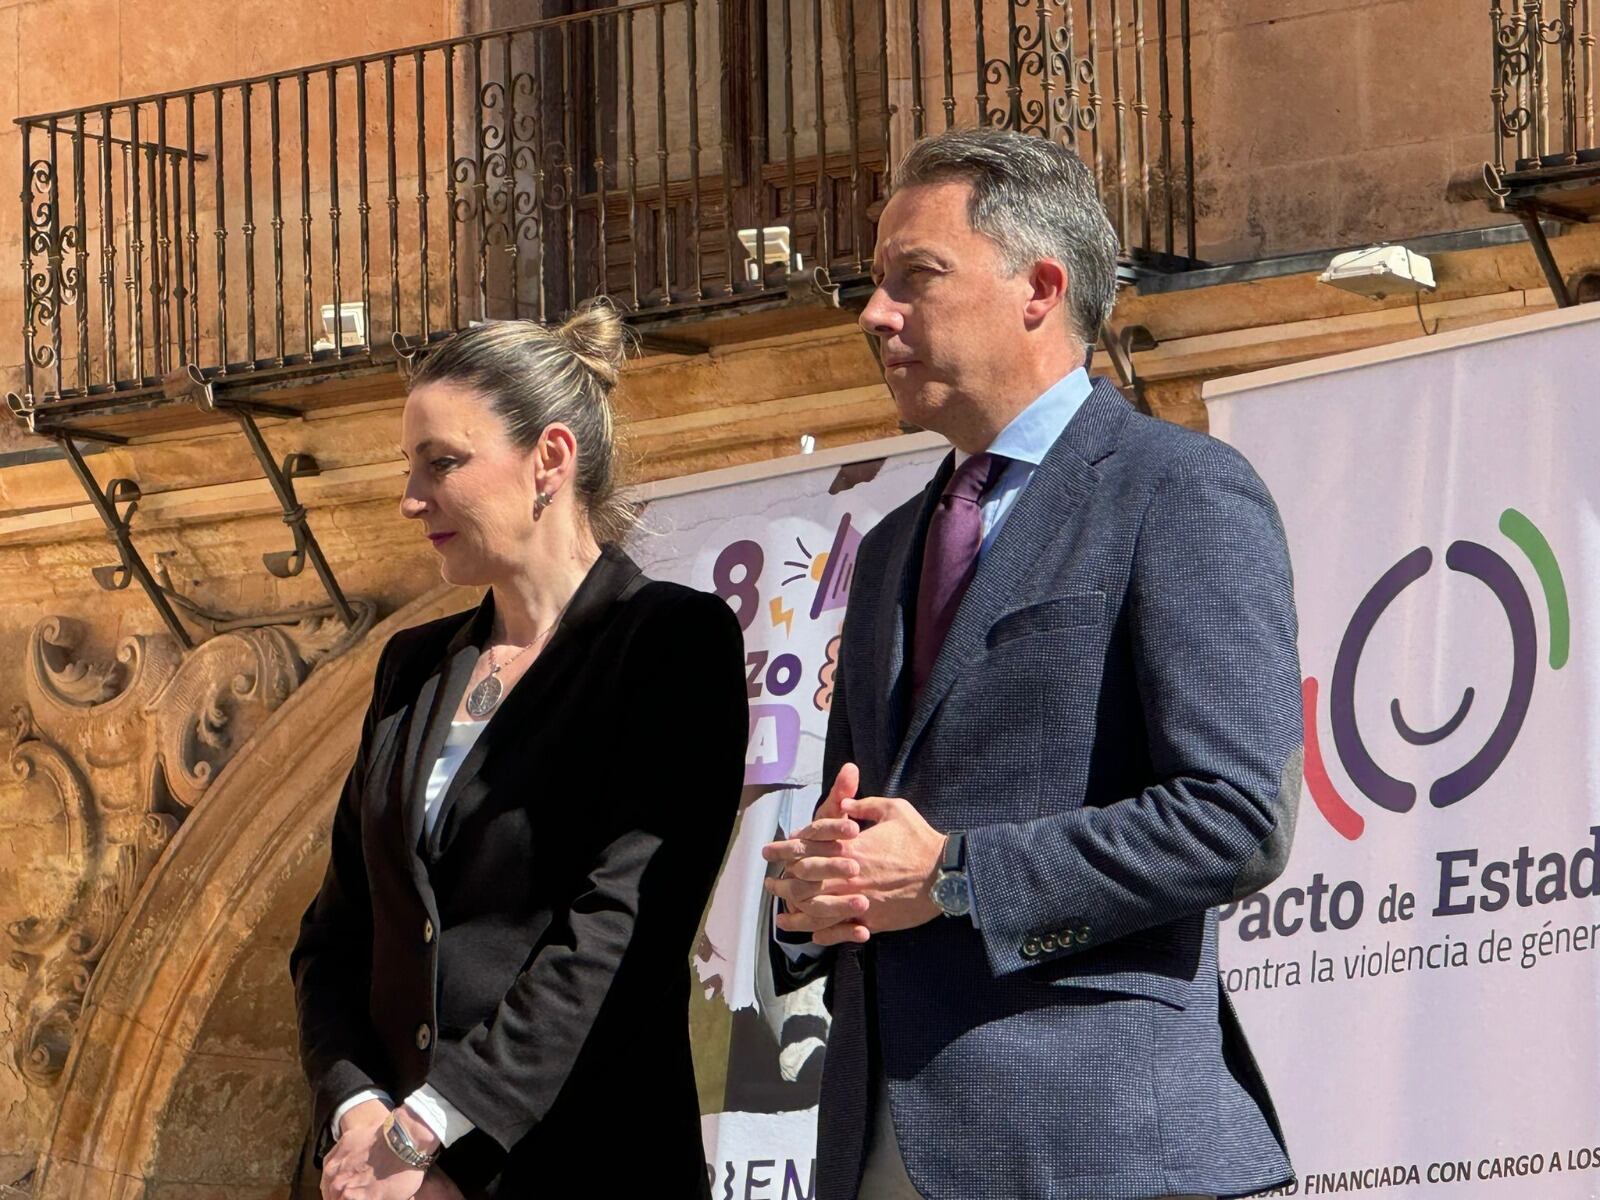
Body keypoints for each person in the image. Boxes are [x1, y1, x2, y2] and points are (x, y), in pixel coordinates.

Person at [762, 127, 1303, 1200]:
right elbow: (866, 823)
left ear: (1039, 288)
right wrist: (810, 899)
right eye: (874, 285)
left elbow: (1234, 816)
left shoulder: (1177, 490)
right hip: (877, 1145)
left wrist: (956, 875)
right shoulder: (886, 552)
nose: (875, 316)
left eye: (916, 277)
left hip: (1097, 1149)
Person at [291, 300, 748, 1200]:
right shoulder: (412, 668)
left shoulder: (667, 643)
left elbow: (619, 929)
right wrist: (357, 1113)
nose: (410, 499)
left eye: (443, 464)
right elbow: (336, 934)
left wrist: (435, 1132)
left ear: (549, 459)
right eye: (409, 468)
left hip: (580, 1164)